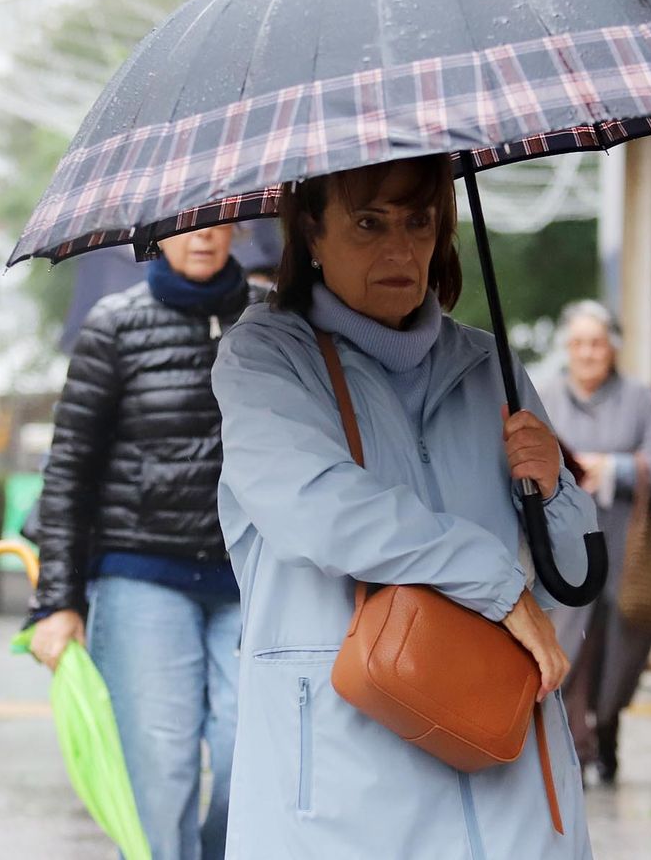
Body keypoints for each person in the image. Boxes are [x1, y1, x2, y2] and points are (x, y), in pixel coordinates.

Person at [210, 155, 598, 858]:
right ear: (311, 232)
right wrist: (493, 581)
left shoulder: (492, 368)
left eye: (418, 221)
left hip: (506, 772)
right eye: (368, 222)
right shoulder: (263, 357)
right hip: (344, 784)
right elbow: (319, 506)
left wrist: (553, 487)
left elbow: (567, 577)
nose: (400, 248)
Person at [28, 224, 253, 860]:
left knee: (254, 754)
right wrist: (57, 601)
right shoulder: (114, 325)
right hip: (142, 576)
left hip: (252, 578)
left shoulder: (272, 320)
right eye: (186, 223)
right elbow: (70, 467)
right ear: (157, 233)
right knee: (159, 773)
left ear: (236, 223)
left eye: (216, 219)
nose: (205, 235)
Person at [538, 299, 651, 784]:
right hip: (562, 547)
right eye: (578, 344)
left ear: (612, 348)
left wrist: (609, 468)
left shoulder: (641, 399)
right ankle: (574, 746)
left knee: (621, 649)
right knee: (568, 644)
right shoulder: (544, 396)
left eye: (596, 343)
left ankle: (608, 726)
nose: (588, 353)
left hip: (625, 548)